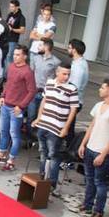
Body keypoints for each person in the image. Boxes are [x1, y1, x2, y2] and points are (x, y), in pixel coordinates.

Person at [74, 79, 109, 217]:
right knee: (90, 179)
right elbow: (91, 127)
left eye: (103, 87)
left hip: (102, 152)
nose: (100, 89)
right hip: (90, 148)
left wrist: (103, 154)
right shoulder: (98, 105)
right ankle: (87, 205)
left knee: (100, 183)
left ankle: (98, 211)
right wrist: (83, 144)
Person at [0, 45, 36, 171]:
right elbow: (8, 84)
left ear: (25, 56)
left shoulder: (27, 72)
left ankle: (11, 160)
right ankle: (1, 154)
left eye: (18, 54)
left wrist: (21, 106)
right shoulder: (12, 67)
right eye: (14, 54)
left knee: (14, 134)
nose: (15, 57)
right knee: (3, 131)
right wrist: (3, 96)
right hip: (6, 104)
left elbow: (32, 91)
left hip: (16, 108)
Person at [31, 62, 78, 192]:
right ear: (57, 72)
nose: (66, 77)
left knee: (53, 156)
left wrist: (65, 128)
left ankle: (51, 184)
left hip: (57, 128)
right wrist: (39, 118)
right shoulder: (50, 83)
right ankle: (41, 178)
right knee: (42, 153)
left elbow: (73, 110)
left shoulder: (72, 89)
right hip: (44, 124)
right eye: (64, 74)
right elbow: (44, 101)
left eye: (68, 74)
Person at [26, 38, 61, 143]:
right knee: (31, 116)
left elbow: (57, 77)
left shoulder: (56, 62)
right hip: (34, 91)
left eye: (40, 45)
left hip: (46, 94)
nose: (38, 47)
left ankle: (40, 140)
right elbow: (31, 73)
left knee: (44, 118)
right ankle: (29, 139)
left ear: (46, 47)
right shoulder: (36, 58)